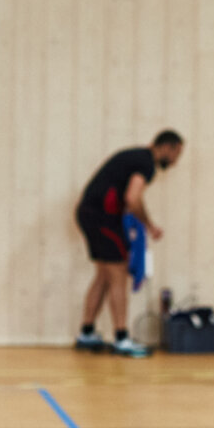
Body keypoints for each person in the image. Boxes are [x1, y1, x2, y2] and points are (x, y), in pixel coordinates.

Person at [75, 131, 184, 358]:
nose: (175, 162)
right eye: (177, 155)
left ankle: (86, 333)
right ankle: (122, 338)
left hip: (89, 214)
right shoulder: (146, 163)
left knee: (104, 275)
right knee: (118, 273)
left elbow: (127, 197)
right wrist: (149, 225)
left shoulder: (136, 156)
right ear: (168, 147)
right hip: (103, 219)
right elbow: (132, 198)